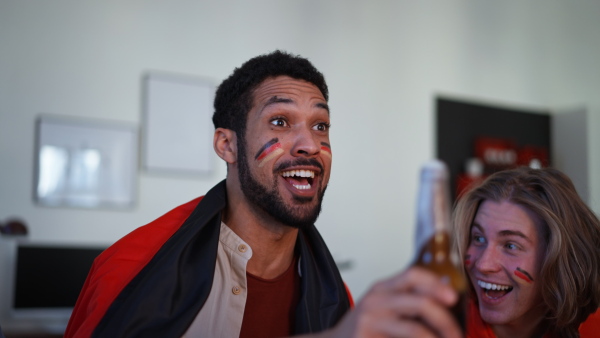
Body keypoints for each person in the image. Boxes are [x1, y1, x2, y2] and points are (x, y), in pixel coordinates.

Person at [65, 50, 463, 338]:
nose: (309, 144)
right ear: (227, 145)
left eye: (321, 125)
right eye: (280, 121)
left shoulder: (336, 296)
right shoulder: (132, 267)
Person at [453, 167, 600, 338]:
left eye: (511, 246)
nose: (483, 265)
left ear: (560, 258)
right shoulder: (438, 326)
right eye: (478, 239)